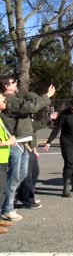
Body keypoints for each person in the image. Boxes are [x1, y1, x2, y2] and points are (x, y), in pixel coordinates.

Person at [1, 77, 55, 221]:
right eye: (13, 83)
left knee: (21, 175)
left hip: (24, 142)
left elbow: (30, 112)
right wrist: (47, 96)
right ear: (6, 86)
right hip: (15, 143)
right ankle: (7, 209)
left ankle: (11, 201)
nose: (16, 84)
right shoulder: (9, 100)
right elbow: (31, 106)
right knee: (13, 178)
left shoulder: (16, 98)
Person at [0, 93, 17, 233]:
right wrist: (8, 142)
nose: (5, 101)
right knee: (0, 191)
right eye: (2, 100)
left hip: (3, 158)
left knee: (3, 190)